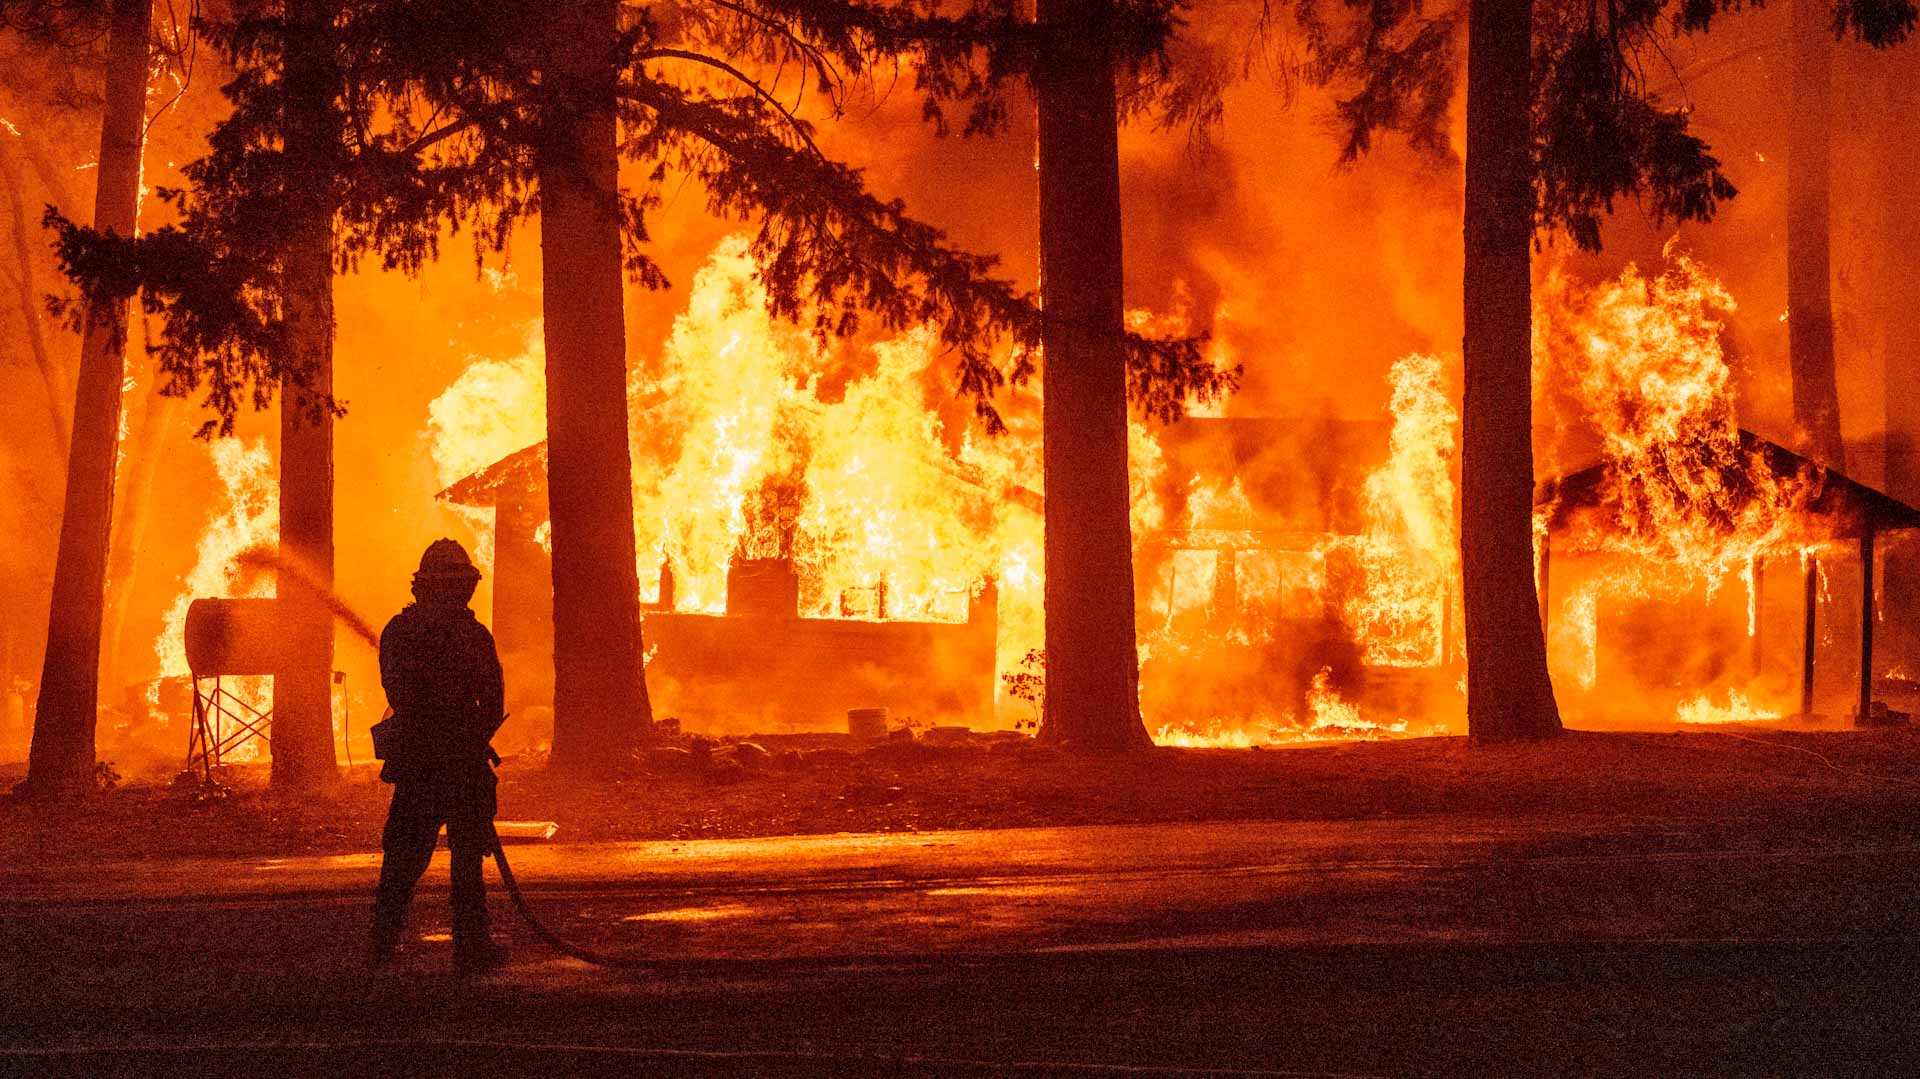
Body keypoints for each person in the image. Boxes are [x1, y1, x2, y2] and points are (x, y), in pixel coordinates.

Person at [371, 538, 508, 973]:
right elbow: (492, 701)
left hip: (419, 766)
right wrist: (468, 738)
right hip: (459, 767)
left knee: (404, 861)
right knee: (465, 862)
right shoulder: (473, 636)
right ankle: (471, 947)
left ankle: (382, 944)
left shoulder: (399, 632)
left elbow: (397, 694)